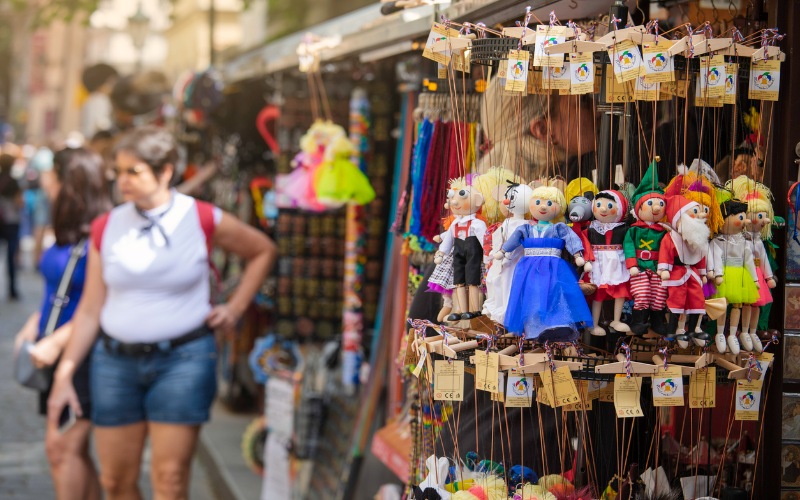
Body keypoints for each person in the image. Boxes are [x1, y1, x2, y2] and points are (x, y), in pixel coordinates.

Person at [47, 126, 277, 499]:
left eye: (133, 172)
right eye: (118, 171)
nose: (122, 181)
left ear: (165, 171)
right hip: (115, 364)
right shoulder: (107, 225)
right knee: (116, 481)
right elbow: (90, 308)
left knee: (169, 480)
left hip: (183, 361)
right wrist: (66, 373)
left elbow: (262, 250)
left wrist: (234, 308)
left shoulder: (201, 217)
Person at [14, 147, 110, 499]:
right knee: (72, 450)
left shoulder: (100, 234)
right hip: (55, 351)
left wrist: (57, 340)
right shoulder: (71, 230)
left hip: (82, 355)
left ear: (68, 180)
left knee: (61, 449)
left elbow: (100, 303)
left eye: (51, 173)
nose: (45, 179)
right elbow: (61, 291)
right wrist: (36, 321)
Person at [0, 152, 22, 299]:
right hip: (11, 222)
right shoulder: (14, 182)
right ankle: (12, 290)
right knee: (11, 256)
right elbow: (19, 202)